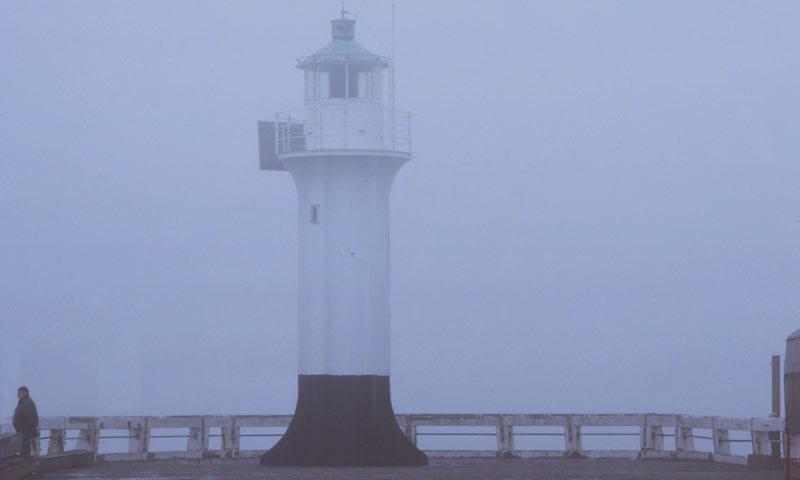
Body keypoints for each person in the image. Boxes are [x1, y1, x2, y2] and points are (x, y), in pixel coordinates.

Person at [13, 386, 39, 457]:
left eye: (19, 393)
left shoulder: (27, 402)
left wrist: (31, 429)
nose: (18, 395)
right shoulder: (24, 402)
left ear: (25, 393)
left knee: (25, 449)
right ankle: (24, 457)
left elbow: (29, 417)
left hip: (25, 429)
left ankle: (25, 462)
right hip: (23, 430)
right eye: (18, 393)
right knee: (24, 447)